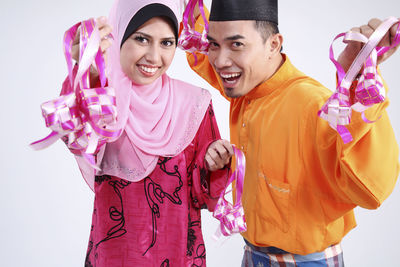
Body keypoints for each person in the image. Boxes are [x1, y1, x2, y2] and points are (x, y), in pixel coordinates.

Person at [184, 0, 400, 266]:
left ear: (273, 45)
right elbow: (202, 50)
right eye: (214, 44)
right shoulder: (246, 84)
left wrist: (357, 84)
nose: (219, 60)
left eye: (236, 44)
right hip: (252, 255)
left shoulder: (312, 104)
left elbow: (369, 188)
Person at [60, 0, 234, 266]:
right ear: (118, 34)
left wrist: (215, 163)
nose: (154, 57)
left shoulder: (194, 104)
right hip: (114, 257)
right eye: (141, 39)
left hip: (178, 256)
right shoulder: (104, 98)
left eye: (166, 43)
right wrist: (88, 72)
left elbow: (202, 194)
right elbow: (74, 133)